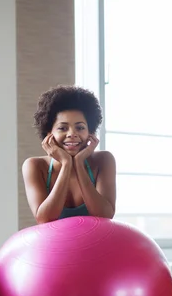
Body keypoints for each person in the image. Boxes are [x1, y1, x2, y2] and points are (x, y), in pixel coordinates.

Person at [22, 85, 117, 224]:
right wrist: (66, 164)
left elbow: (104, 216)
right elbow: (44, 219)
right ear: (49, 133)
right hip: (55, 246)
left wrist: (78, 163)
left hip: (97, 245)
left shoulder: (103, 160)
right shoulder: (35, 166)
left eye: (80, 127)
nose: (72, 134)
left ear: (90, 132)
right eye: (62, 128)